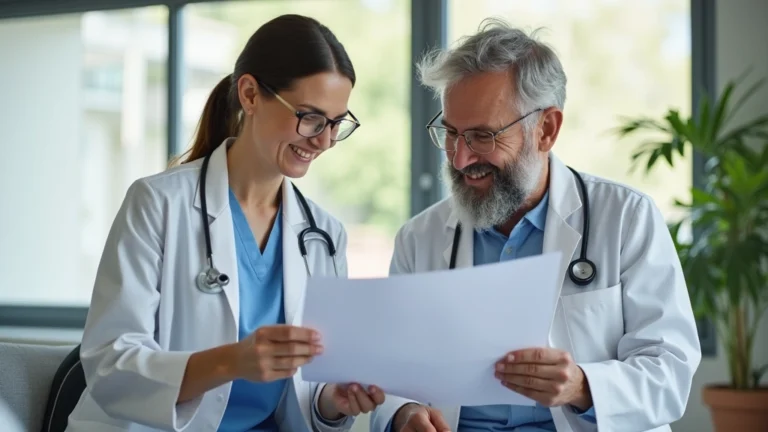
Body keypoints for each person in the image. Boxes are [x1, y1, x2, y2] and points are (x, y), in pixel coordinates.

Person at [370, 18, 701, 432]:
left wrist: (583, 386)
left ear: (546, 129)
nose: (459, 158)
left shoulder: (626, 218)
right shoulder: (419, 238)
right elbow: (392, 372)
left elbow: (670, 371)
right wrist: (403, 413)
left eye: (483, 136)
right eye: (451, 133)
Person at [66, 14, 384, 432]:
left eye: (336, 123)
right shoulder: (158, 204)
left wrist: (334, 402)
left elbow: (308, 396)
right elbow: (111, 365)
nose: (323, 140)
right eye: (309, 117)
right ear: (250, 94)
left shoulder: (324, 236)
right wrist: (231, 360)